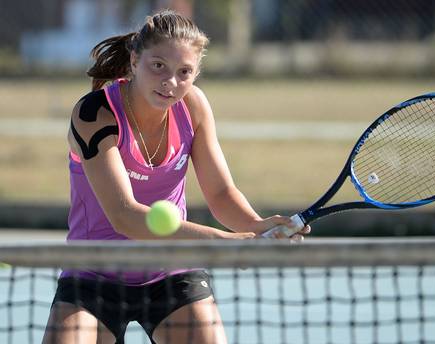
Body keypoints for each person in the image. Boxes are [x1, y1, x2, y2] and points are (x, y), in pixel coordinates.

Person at [42, 9, 309, 344]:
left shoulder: (193, 107)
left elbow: (221, 193)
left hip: (171, 271)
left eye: (184, 72)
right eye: (158, 66)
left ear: (196, 74)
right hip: (92, 274)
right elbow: (125, 216)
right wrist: (225, 243)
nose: (171, 83)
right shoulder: (95, 113)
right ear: (135, 59)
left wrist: (256, 226)